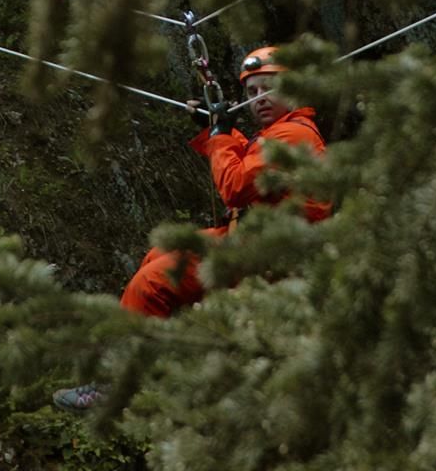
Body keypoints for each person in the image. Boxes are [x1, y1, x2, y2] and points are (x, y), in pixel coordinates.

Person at [53, 46, 331, 412]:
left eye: (269, 88)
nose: (259, 98)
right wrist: (213, 130)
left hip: (268, 255)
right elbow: (248, 165)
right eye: (252, 91)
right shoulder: (282, 132)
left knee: (150, 283)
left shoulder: (292, 136)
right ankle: (155, 354)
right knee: (157, 256)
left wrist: (220, 134)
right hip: (253, 241)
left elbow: (235, 186)